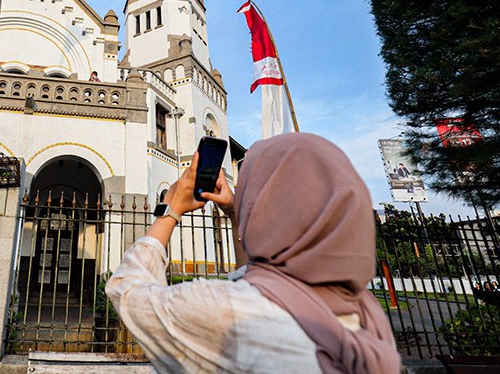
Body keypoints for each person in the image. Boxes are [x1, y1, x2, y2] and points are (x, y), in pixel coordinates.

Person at [106, 133, 400, 373]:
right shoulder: (365, 312)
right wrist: (236, 212)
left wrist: (170, 209)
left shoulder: (234, 314)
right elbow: (260, 279)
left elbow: (126, 291)